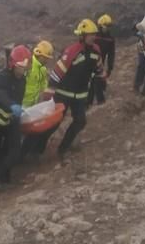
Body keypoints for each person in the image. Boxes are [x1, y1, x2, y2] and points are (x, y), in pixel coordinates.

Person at [46, 19, 103, 160]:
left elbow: (98, 69)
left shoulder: (96, 51)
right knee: (53, 123)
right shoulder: (72, 51)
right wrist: (48, 95)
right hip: (63, 94)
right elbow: (57, 72)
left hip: (80, 95)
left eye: (94, 34)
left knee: (80, 121)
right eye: (90, 34)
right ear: (82, 35)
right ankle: (36, 148)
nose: (93, 37)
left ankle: (62, 149)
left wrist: (101, 76)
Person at [0, 45, 31, 187]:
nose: (24, 69)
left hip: (11, 120)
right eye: (22, 65)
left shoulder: (22, 79)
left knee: (14, 151)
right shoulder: (1, 78)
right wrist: (11, 105)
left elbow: (19, 97)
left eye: (26, 65)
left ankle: (0, 178)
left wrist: (18, 110)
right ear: (12, 64)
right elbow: (0, 94)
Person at [19, 40, 55, 162]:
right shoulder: (29, 66)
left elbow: (43, 86)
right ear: (39, 55)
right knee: (18, 134)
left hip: (31, 106)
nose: (47, 60)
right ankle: (17, 156)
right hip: (21, 104)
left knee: (30, 132)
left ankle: (25, 155)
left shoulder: (43, 70)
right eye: (46, 57)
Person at [88, 14, 116, 106]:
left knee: (97, 81)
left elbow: (111, 54)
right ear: (100, 26)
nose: (107, 28)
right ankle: (95, 102)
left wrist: (110, 68)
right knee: (94, 82)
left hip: (100, 63)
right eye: (106, 26)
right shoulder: (94, 36)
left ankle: (92, 102)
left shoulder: (110, 39)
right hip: (90, 62)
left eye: (109, 26)